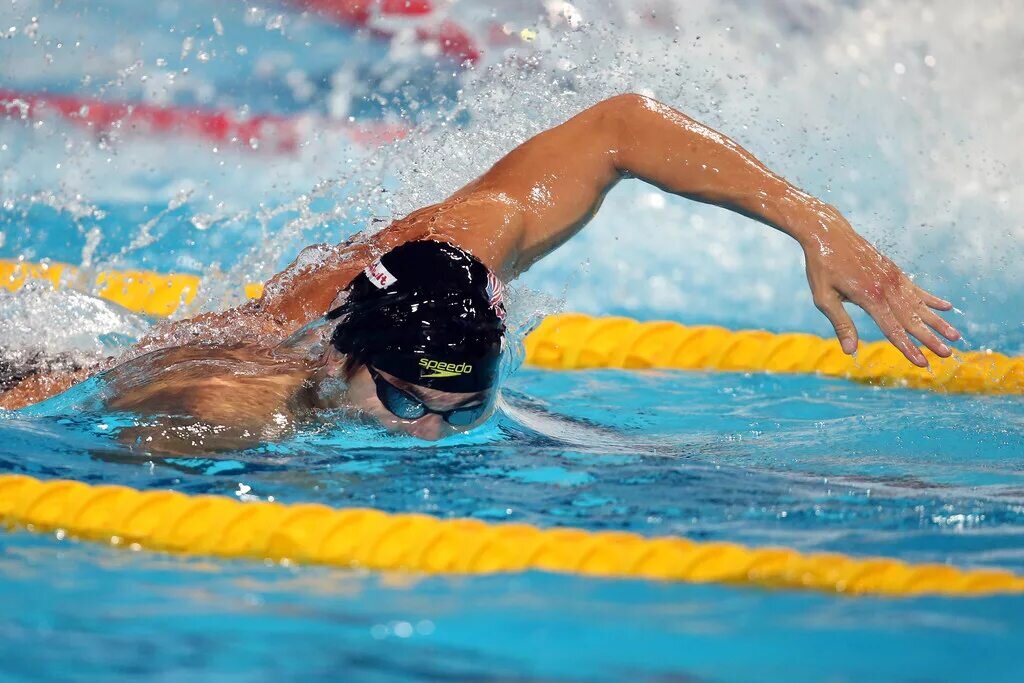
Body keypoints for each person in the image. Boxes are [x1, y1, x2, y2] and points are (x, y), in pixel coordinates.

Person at [0, 94, 960, 453]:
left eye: (462, 411)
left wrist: (816, 222)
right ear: (343, 359)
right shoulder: (230, 405)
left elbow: (620, 127)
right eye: (406, 402)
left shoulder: (474, 239)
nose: (429, 433)